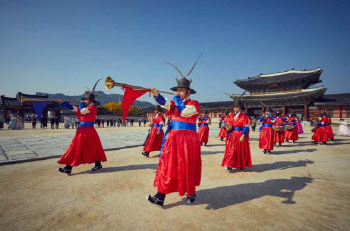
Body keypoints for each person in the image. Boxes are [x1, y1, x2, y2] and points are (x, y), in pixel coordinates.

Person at [147, 60, 202, 207]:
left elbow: (184, 112)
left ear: (187, 92)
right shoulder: (174, 103)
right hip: (173, 138)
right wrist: (156, 94)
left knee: (187, 166)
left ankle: (191, 192)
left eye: (181, 90)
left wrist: (177, 100)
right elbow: (164, 102)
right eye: (177, 90)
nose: (178, 93)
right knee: (168, 165)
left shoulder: (194, 104)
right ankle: (160, 196)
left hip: (188, 140)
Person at [58, 80, 107, 174]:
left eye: (86, 99)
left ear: (90, 100)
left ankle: (97, 164)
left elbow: (82, 111)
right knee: (76, 147)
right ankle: (68, 167)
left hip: (88, 130)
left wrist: (81, 105)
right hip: (82, 130)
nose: (84, 101)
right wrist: (64, 104)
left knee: (92, 147)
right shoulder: (86, 107)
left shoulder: (92, 107)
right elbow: (76, 109)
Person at [222, 97, 251, 171]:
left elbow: (246, 126)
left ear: (240, 107)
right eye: (234, 107)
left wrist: (243, 135)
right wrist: (227, 129)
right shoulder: (231, 116)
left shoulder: (244, 117)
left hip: (240, 135)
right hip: (232, 135)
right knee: (231, 150)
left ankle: (241, 164)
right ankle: (229, 164)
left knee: (240, 151)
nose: (235, 108)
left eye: (237, 107)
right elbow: (226, 124)